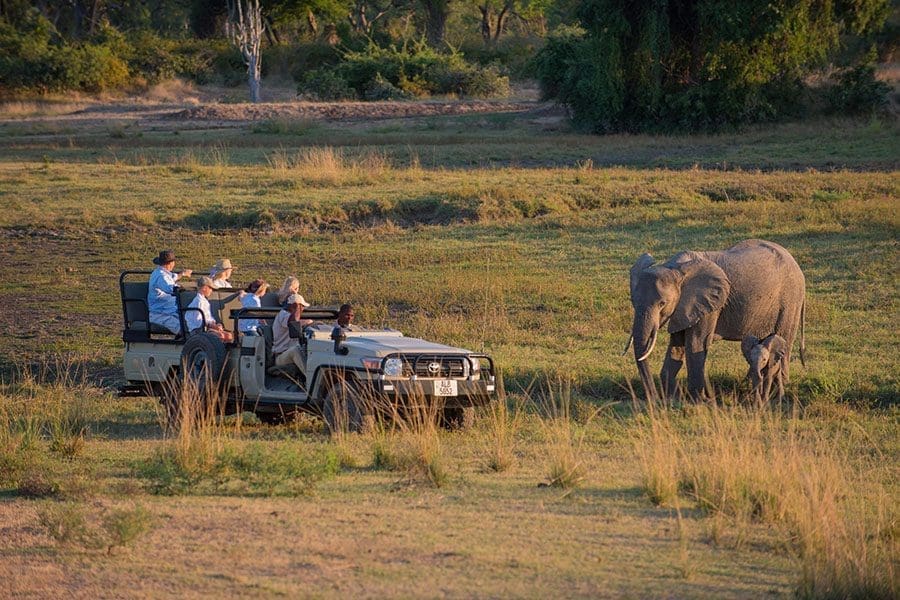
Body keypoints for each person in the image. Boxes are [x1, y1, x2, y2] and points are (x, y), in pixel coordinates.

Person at [148, 249, 192, 335]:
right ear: (171, 263)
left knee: (190, 322)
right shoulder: (161, 276)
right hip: (161, 314)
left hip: (170, 311)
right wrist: (185, 289)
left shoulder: (161, 273)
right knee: (184, 328)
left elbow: (172, 277)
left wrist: (182, 274)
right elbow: (171, 288)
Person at [272, 293, 313, 375]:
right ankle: (310, 378)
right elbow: (293, 323)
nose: (303, 309)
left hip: (291, 353)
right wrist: (297, 309)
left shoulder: (292, 317)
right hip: (280, 356)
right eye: (302, 307)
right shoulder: (283, 315)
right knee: (295, 350)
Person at [185, 276, 234, 342]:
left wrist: (215, 325)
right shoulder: (198, 302)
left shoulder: (204, 301)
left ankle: (224, 351)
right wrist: (212, 325)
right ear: (205, 288)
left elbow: (208, 318)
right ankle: (216, 351)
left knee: (229, 335)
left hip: (206, 328)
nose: (211, 291)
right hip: (198, 330)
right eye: (210, 288)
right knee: (220, 336)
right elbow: (198, 321)